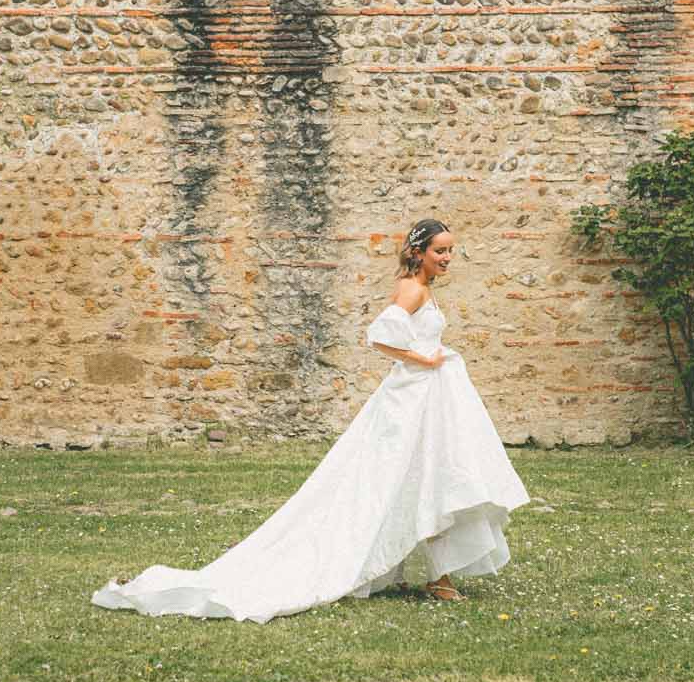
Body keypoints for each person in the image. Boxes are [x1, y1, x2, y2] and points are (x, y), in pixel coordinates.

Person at [93, 218, 530, 622]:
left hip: (427, 397)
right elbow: (379, 336)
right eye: (441, 251)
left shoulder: (420, 288)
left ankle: (430, 573)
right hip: (415, 397)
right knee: (416, 477)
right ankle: (434, 576)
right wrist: (422, 358)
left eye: (452, 251)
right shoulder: (412, 290)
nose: (448, 259)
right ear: (419, 253)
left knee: (429, 477)